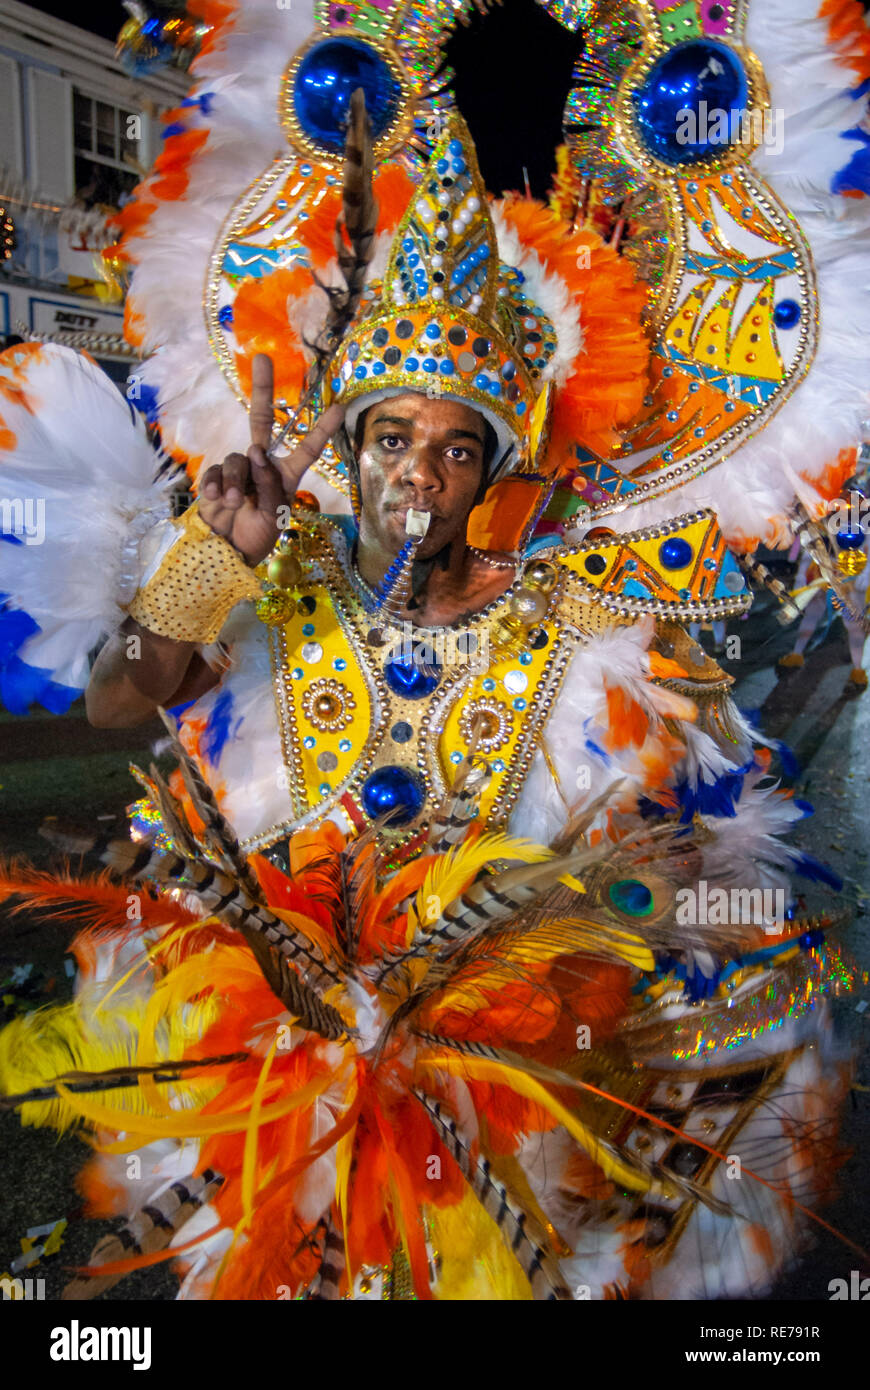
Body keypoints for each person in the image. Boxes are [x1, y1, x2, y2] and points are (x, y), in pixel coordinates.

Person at [0, 116, 856, 1303]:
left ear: (495, 465)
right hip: (284, 1051)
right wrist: (207, 563)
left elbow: (688, 853)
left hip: (516, 1078)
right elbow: (115, 697)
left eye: (457, 448)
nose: (420, 472)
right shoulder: (277, 577)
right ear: (351, 446)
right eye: (393, 436)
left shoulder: (582, 618)